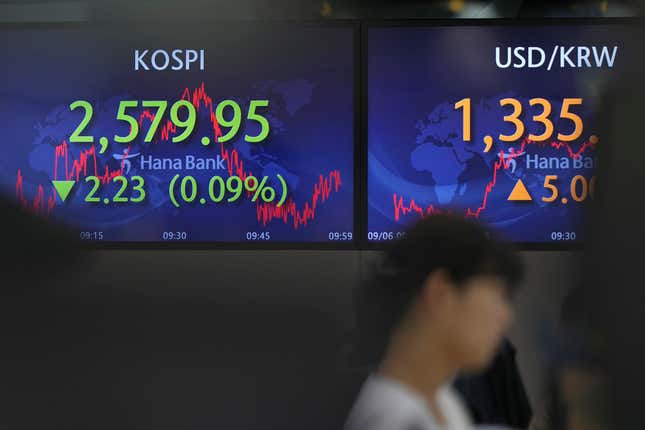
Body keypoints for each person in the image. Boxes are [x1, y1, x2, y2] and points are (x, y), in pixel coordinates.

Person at [345, 215, 523, 430]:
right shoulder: (395, 420)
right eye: (496, 294)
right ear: (440, 294)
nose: (506, 317)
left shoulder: (444, 403)